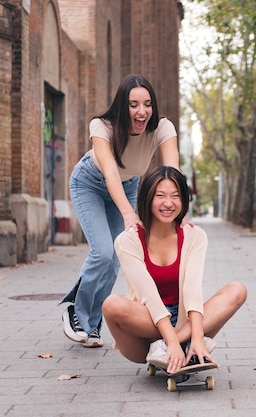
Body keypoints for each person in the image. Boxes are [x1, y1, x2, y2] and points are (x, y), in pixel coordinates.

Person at [60, 74, 182, 348]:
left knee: (117, 258)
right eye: (134, 104)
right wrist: (128, 213)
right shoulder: (102, 126)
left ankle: (91, 324)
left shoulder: (162, 128)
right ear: (122, 106)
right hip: (90, 183)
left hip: (127, 187)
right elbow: (111, 171)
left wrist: (177, 209)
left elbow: (171, 170)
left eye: (147, 104)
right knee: (103, 251)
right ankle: (75, 309)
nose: (142, 111)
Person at [102, 166, 247, 374]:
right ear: (147, 198)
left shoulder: (194, 236)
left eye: (175, 196)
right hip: (147, 323)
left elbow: (192, 289)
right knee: (112, 304)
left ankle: (182, 344)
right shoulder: (128, 240)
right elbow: (148, 295)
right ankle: (167, 344)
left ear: (184, 201)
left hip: (185, 319)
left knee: (237, 290)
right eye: (160, 196)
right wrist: (169, 338)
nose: (168, 203)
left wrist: (197, 336)